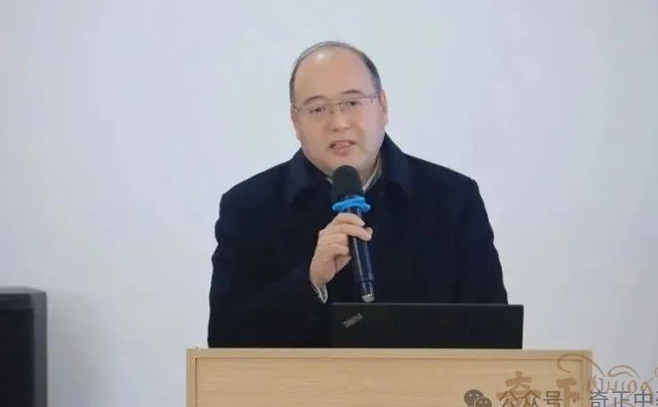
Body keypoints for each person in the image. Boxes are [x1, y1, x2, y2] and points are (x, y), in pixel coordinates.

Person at [207, 41, 508, 347]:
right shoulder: (247, 208)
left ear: (383, 105)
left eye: (352, 103)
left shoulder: (453, 199)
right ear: (296, 122)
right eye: (318, 109)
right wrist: (310, 283)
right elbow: (223, 342)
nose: (338, 123)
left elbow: (495, 338)